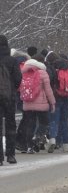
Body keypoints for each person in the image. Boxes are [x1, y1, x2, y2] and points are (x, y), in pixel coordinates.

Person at [20, 59, 56, 153]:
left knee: (30, 125)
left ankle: (29, 147)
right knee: (44, 123)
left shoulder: (23, 73)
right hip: (41, 104)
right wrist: (52, 102)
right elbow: (48, 90)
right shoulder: (43, 73)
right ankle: (38, 136)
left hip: (27, 103)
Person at [0, 35, 22, 165]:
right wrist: (12, 89)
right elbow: (18, 79)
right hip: (9, 96)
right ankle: (11, 155)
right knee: (10, 125)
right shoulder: (12, 61)